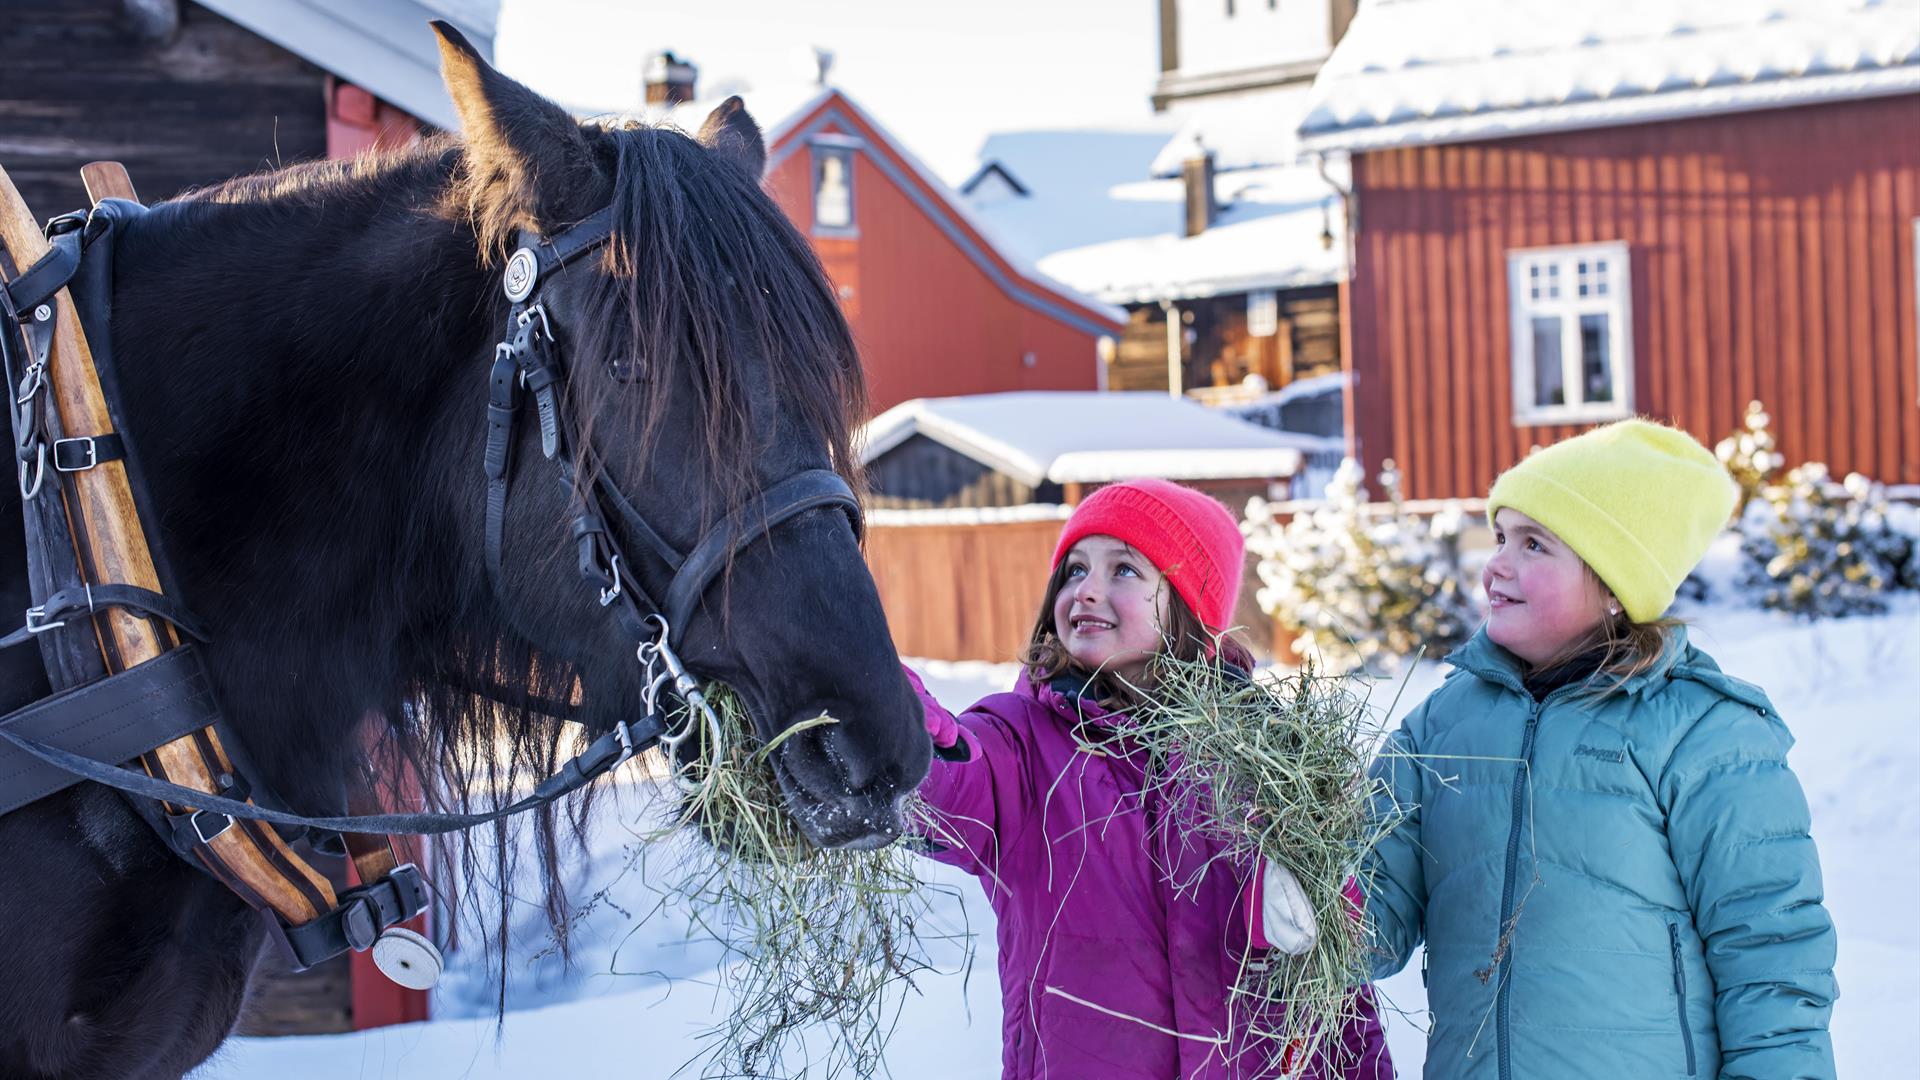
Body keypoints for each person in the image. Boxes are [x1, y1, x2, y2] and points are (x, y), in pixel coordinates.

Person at [1363, 419, 1838, 1078]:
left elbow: (1773, 952)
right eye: (1501, 536)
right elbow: (1371, 922)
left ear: (1615, 585)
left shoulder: (1704, 734)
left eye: (1535, 545)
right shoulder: (1439, 729)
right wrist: (1295, 890)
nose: (1497, 564)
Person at [907, 478, 1392, 1080]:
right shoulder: (1022, 744)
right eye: (1074, 569)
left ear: (1189, 604)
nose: (1086, 590)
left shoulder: (1267, 759)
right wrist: (891, 718)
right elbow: (945, 786)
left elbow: (1336, 984)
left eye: (1125, 571)